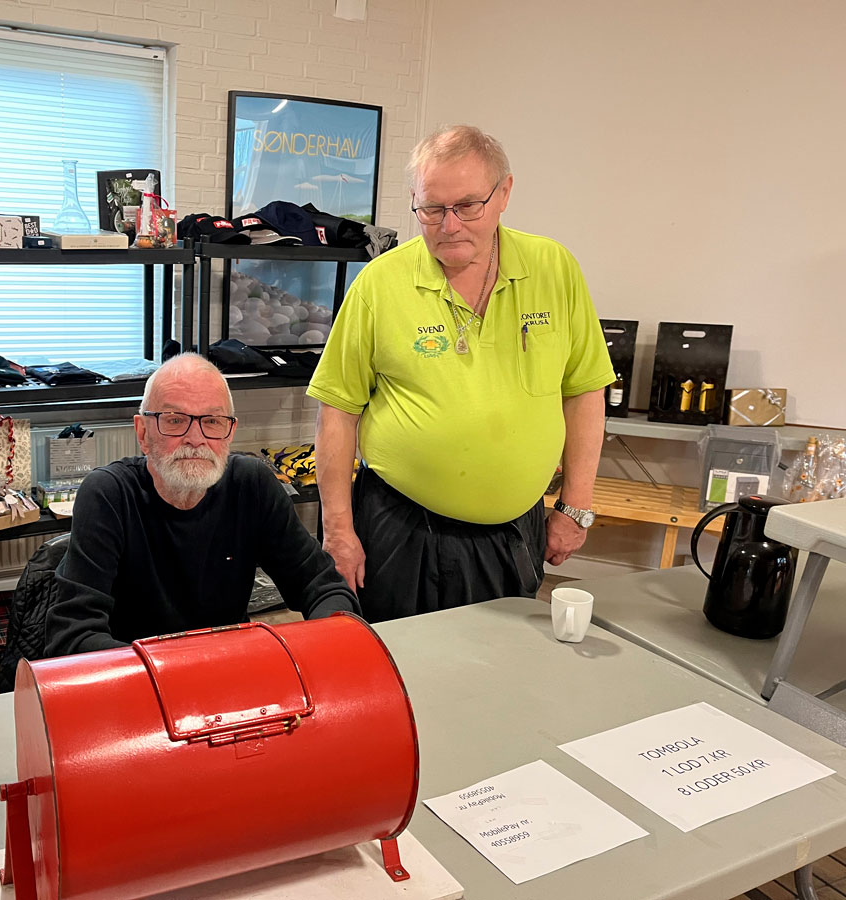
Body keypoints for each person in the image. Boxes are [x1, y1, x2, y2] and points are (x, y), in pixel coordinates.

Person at [307, 125, 614, 621]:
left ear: (504, 193)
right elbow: (337, 413)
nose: (448, 225)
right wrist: (339, 530)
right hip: (399, 527)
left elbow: (584, 392)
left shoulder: (554, 269)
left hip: (513, 529)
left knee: (497, 671)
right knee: (400, 666)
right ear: (414, 201)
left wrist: (575, 505)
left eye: (467, 205)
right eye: (431, 209)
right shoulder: (379, 285)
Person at [43, 353, 359, 657]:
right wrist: (173, 675)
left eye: (212, 421)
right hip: (136, 683)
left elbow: (325, 587)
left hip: (226, 674)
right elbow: (74, 637)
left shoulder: (252, 485)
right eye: (175, 419)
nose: (196, 438)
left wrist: (327, 644)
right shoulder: (108, 495)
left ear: (230, 432)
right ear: (143, 432)